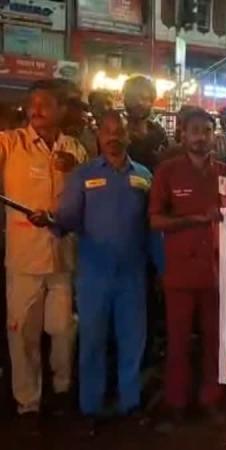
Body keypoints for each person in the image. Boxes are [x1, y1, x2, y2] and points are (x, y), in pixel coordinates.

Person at [48, 111, 163, 434]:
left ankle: (130, 404)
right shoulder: (83, 175)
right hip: (93, 275)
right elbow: (67, 220)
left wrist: (161, 267)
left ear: (128, 136)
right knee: (93, 342)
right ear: (98, 136)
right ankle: (91, 407)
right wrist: (52, 221)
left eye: (119, 131)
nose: (113, 137)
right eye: (107, 131)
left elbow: (153, 228)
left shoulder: (144, 176)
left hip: (133, 275)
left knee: (133, 340)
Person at [149, 109, 226, 431]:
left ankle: (210, 399)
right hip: (179, 271)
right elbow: (155, 220)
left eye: (207, 130)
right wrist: (195, 220)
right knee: (177, 342)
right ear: (183, 134)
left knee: (214, 340)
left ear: (214, 135)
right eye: (195, 131)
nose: (201, 137)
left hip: (216, 272)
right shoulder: (168, 172)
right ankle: (175, 402)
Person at [1, 80, 87, 426]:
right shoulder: (10, 142)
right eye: (32, 103)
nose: (36, 109)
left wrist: (74, 169)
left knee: (63, 330)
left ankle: (62, 390)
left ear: (61, 110)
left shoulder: (75, 148)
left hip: (63, 258)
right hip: (24, 259)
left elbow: (86, 195)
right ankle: (28, 403)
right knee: (22, 333)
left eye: (45, 103)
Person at [123, 76, 168, 172]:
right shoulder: (116, 132)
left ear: (152, 101)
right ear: (125, 99)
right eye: (133, 98)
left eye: (144, 98)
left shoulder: (159, 134)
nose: (139, 102)